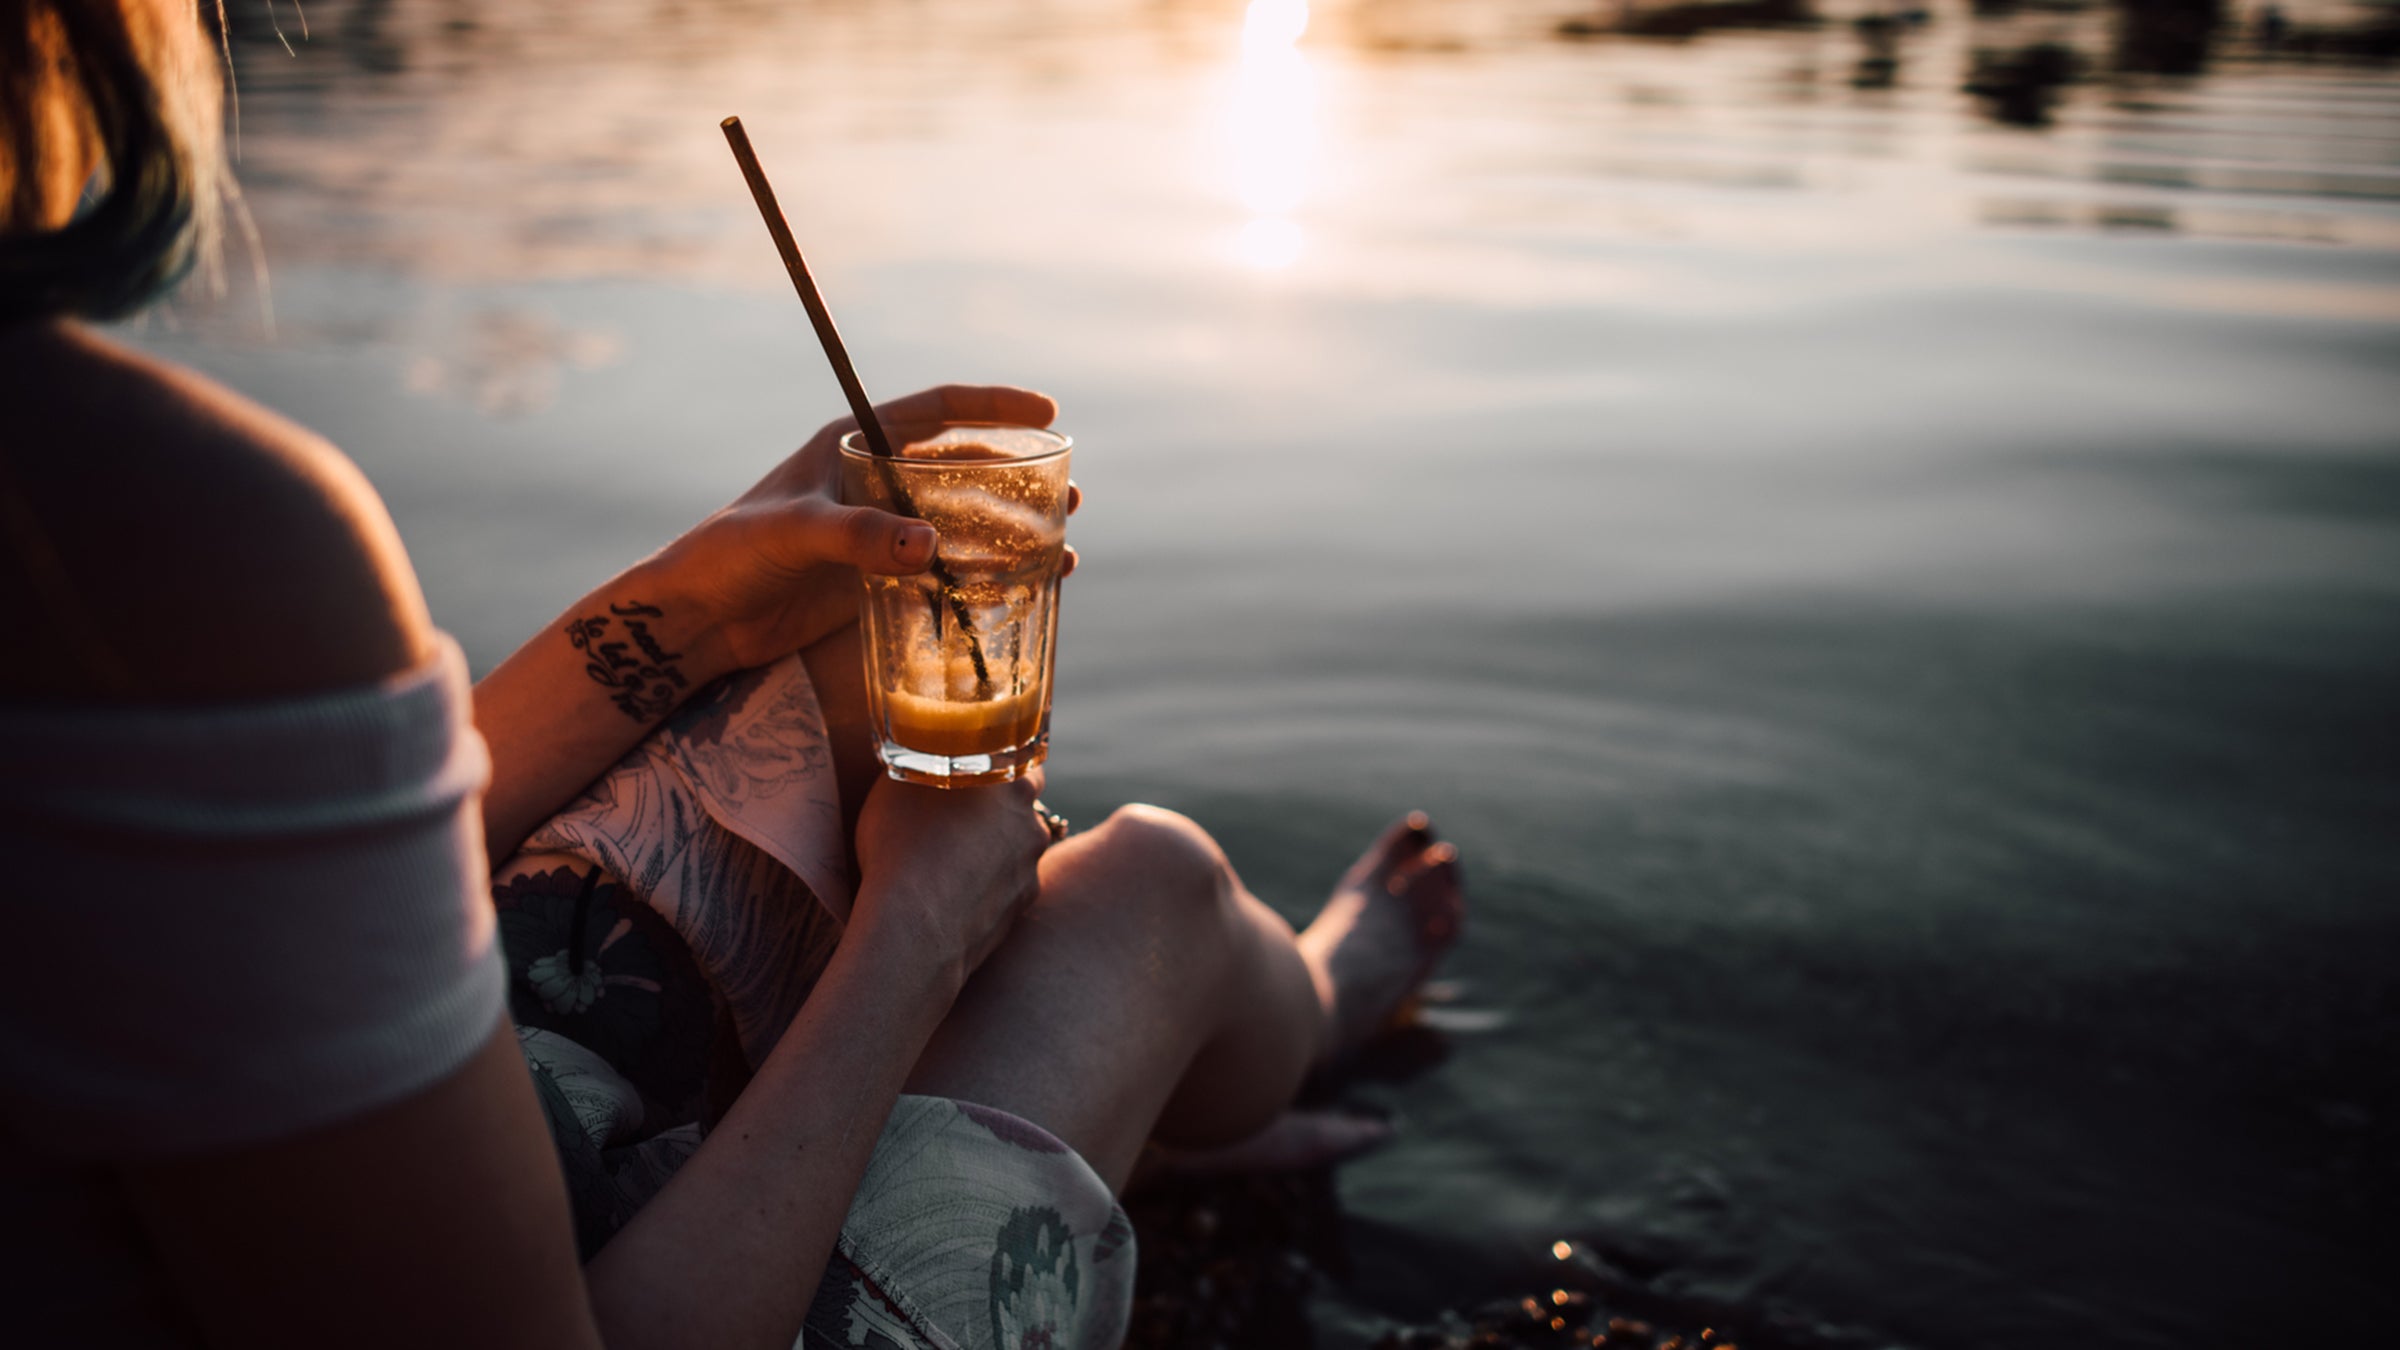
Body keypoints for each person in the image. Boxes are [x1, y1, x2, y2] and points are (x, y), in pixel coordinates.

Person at [0, 2, 1464, 1346]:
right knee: (1154, 889)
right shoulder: (138, 526)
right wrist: (924, 932)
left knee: (837, 649)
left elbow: (313, 906)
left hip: (467, 1149)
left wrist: (690, 607)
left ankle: (1129, 1093)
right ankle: (1283, 1020)